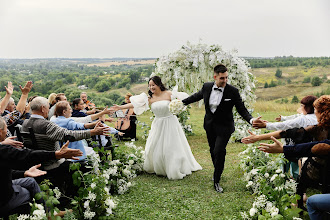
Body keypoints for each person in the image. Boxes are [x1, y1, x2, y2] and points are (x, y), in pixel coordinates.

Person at [111, 75, 202, 180]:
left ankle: (173, 166)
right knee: (154, 145)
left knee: (171, 146)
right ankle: (157, 166)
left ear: (159, 84)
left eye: (153, 85)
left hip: (170, 122)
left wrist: (178, 106)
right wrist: (120, 107)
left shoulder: (169, 94)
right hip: (158, 124)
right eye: (149, 85)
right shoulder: (149, 98)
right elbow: (134, 105)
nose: (151, 87)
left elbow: (183, 101)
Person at [181, 64, 255, 193]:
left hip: (225, 127)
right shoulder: (207, 87)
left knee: (219, 150)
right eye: (222, 78)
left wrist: (251, 120)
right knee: (212, 150)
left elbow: (241, 109)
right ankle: (217, 171)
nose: (225, 80)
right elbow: (196, 96)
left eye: (226, 77)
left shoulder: (233, 91)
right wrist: (181, 102)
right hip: (210, 125)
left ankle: (216, 180)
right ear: (215, 77)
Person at [0, 116, 83, 215]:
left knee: (30, 181)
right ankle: (39, 214)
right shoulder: (3, 150)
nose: (7, 131)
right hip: (4, 198)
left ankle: (49, 213)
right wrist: (56, 154)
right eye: (6, 128)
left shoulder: (26, 122)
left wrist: (24, 173)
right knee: (29, 194)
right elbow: (27, 155)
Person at [252, 95, 318, 179]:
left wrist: (266, 125)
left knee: (290, 160)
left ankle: (288, 177)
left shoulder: (304, 119)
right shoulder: (317, 118)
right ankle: (296, 177)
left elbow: (285, 125)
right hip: (311, 148)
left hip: (297, 146)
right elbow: (293, 118)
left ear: (308, 107)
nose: (300, 107)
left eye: (302, 105)